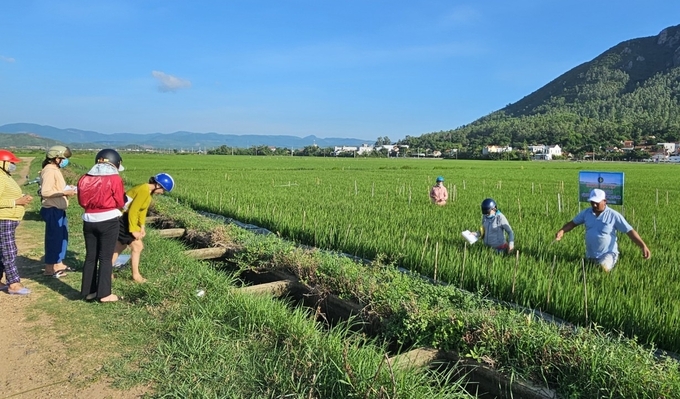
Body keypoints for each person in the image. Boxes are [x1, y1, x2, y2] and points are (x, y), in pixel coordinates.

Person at [555, 188, 651, 272]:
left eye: (597, 202)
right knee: (580, 271)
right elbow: (573, 223)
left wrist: (643, 246)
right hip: (591, 255)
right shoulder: (586, 213)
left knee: (602, 268)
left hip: (608, 254)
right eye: (592, 202)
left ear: (605, 201)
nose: (594, 205)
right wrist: (562, 231)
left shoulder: (613, 215)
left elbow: (629, 231)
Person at [77, 149, 126, 302]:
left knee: (91, 257)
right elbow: (119, 201)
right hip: (108, 220)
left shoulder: (84, 178)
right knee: (105, 257)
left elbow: (81, 201)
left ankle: (88, 291)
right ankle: (104, 294)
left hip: (89, 220)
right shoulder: (115, 178)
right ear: (115, 163)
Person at [112, 173, 175, 283]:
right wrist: (133, 230)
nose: (162, 193)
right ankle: (136, 276)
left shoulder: (149, 192)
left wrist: (142, 226)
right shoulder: (143, 190)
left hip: (127, 218)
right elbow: (133, 211)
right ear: (158, 185)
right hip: (123, 218)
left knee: (120, 246)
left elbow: (142, 210)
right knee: (137, 246)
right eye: (163, 190)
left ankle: (106, 272)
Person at [0, 149, 34, 295]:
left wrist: (22, 198)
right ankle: (13, 283)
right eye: (11, 162)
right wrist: (16, 201)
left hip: (10, 217)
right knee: (9, 251)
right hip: (4, 218)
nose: (13, 165)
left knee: (2, 251)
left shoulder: (5, 176)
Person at [39, 145, 77, 278]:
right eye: (63, 158)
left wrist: (67, 188)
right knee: (54, 239)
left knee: (62, 238)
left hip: (58, 209)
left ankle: (59, 263)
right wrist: (64, 192)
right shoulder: (49, 170)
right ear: (56, 158)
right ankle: (50, 268)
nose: (65, 161)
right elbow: (46, 192)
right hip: (52, 209)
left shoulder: (55, 169)